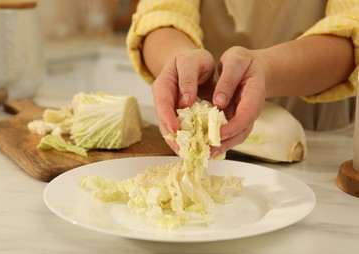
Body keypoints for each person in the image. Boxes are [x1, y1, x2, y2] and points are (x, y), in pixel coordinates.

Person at [126, 0, 359, 156]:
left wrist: (266, 69)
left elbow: (353, 27)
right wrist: (179, 59)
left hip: (317, 144)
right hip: (203, 149)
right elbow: (160, 13)